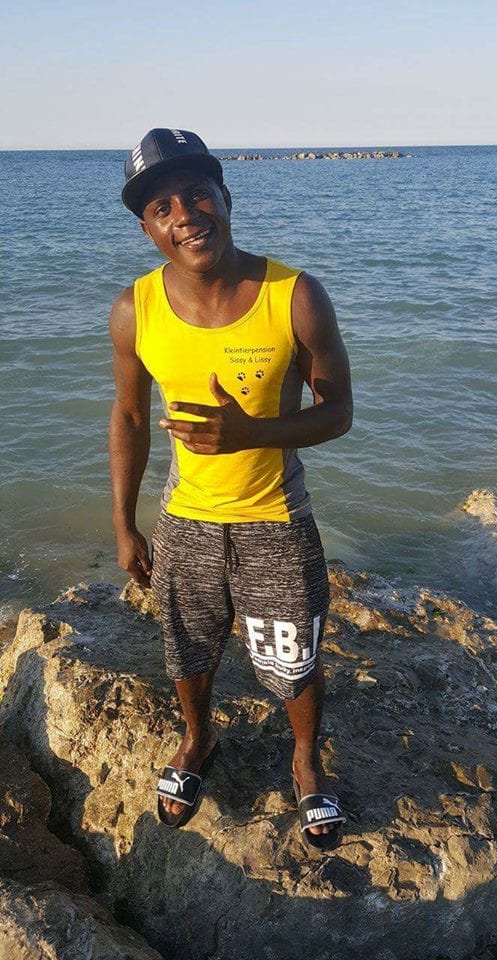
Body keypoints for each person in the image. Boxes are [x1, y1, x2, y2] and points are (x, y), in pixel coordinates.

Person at [109, 128, 353, 850]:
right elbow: (129, 417)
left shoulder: (294, 295)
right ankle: (198, 739)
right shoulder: (134, 310)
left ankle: (306, 760)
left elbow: (338, 411)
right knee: (186, 649)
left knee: (293, 658)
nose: (185, 214)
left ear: (225, 197)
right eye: (161, 207)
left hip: (275, 517)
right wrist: (124, 524)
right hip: (185, 518)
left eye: (197, 194)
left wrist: (252, 434)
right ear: (147, 229)